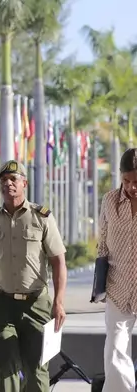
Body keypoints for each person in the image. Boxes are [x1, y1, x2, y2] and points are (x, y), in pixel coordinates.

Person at [0, 159, 67, 392]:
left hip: (36, 305)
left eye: (13, 179)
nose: (8, 184)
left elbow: (58, 261)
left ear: (25, 183)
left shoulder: (42, 218)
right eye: (3, 180)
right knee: (7, 368)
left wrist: (59, 302)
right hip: (0, 305)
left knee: (37, 371)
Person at [97, 148, 137, 392]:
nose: (132, 187)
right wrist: (99, 285)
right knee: (115, 350)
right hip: (117, 288)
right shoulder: (110, 201)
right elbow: (102, 244)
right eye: (127, 181)